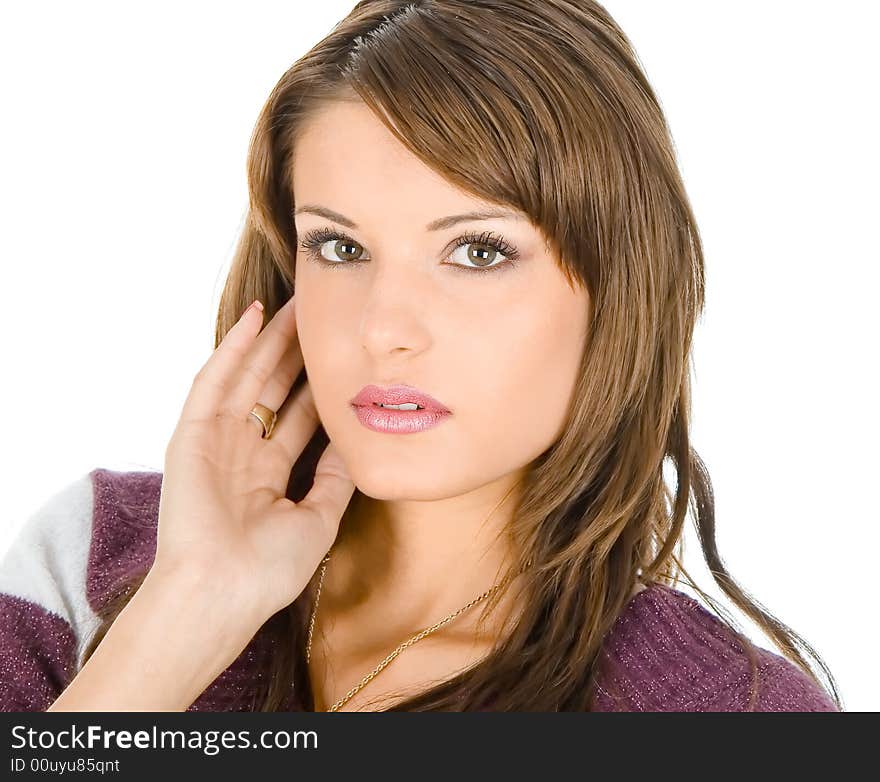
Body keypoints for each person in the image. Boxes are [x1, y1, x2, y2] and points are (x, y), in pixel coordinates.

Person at [0, 0, 841, 712]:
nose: (383, 328)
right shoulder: (91, 563)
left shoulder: (730, 709)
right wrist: (182, 617)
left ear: (619, 290)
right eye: (339, 247)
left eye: (477, 252)